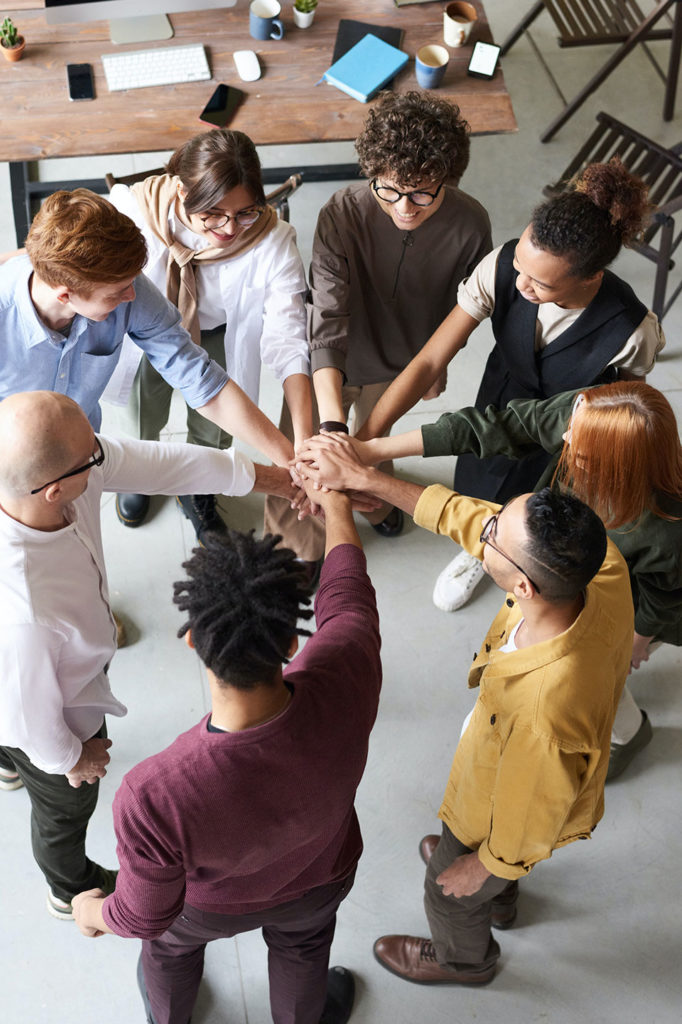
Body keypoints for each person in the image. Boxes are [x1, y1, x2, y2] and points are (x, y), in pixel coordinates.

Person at [295, 432, 633, 986]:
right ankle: (502, 898)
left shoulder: (544, 715)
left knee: (446, 890)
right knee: (477, 862)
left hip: (503, 804)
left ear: (521, 584)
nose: (484, 528)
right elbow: (471, 520)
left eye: (495, 533)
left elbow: (531, 817)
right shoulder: (599, 564)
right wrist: (369, 480)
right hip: (512, 771)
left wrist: (484, 865)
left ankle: (465, 959)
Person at [0, 391, 295, 919]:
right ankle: (67, 886)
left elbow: (159, 464)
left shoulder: (1, 475)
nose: (103, 455)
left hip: (4, 673)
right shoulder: (22, 613)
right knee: (62, 809)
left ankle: (6, 764)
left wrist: (277, 479)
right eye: (91, 457)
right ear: (52, 491)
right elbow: (23, 714)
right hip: (35, 708)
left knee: (11, 744)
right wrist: (72, 758)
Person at [71, 480, 382, 1024]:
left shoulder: (154, 793)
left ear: (192, 639)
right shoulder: (347, 668)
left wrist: (93, 911)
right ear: (291, 643)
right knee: (303, 950)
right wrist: (336, 505)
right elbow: (347, 595)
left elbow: (145, 914)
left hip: (204, 911)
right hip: (320, 877)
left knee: (169, 951)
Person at [356, 159, 665, 609]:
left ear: (591, 278)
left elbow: (624, 409)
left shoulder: (633, 331)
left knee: (538, 514)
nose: (521, 285)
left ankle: (516, 564)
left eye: (540, 283)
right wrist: (365, 441)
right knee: (479, 478)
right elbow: (428, 361)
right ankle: (479, 549)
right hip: (501, 396)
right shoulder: (502, 268)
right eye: (520, 264)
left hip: (566, 434)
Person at [341, 380, 682, 777]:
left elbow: (665, 598)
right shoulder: (586, 413)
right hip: (565, 583)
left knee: (602, 676)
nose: (565, 436)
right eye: (572, 424)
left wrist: (636, 642)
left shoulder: (666, 530)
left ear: (616, 467)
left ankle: (627, 733)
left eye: (582, 449)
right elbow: (497, 427)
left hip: (631, 610)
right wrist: (370, 452)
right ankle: (628, 725)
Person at [0, 187, 294, 480]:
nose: (131, 296)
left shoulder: (124, 283)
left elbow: (197, 375)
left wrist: (289, 460)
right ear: (65, 295)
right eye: (117, 292)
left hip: (81, 459)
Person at [106, 129, 323, 569]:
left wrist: (301, 442)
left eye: (245, 213)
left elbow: (287, 336)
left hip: (218, 333)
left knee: (215, 429)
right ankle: (141, 473)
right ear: (183, 191)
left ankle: (197, 487)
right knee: (142, 410)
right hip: (146, 329)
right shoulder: (135, 209)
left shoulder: (273, 240)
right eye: (213, 214)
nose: (228, 229)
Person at [307, 90, 492, 537]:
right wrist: (333, 428)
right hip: (333, 362)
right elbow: (327, 320)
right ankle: (302, 542)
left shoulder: (471, 226)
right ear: (372, 171)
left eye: (422, 193)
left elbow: (461, 315)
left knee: (373, 446)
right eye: (387, 189)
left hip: (404, 365)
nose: (404, 207)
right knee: (310, 453)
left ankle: (375, 507)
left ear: (447, 178)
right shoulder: (341, 214)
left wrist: (436, 366)